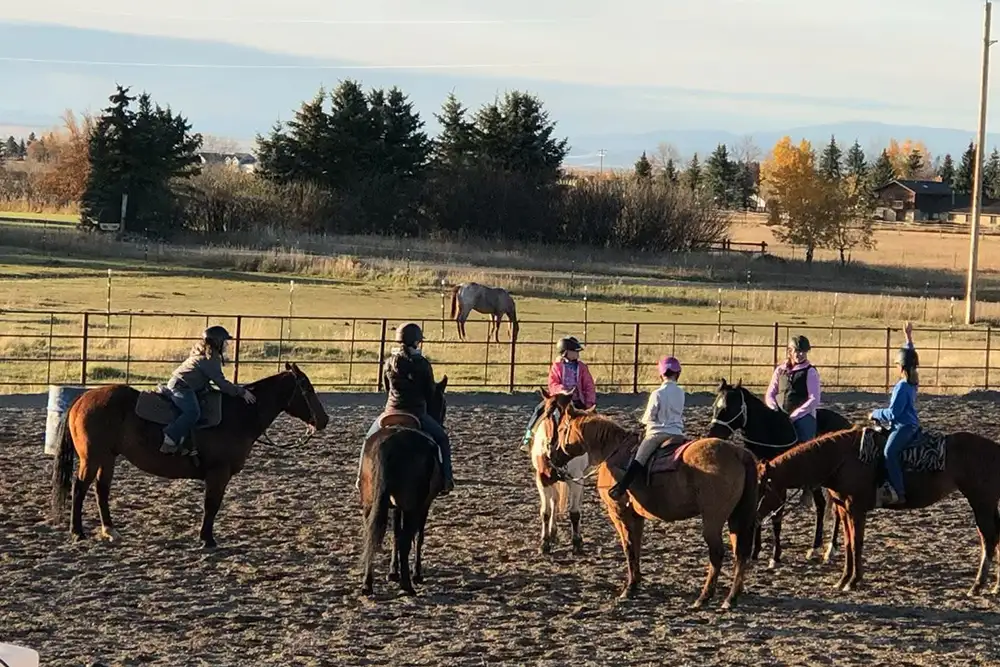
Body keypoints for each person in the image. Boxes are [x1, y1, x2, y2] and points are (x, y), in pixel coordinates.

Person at [363, 322, 454, 494]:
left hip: (390, 412)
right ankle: (447, 478)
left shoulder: (389, 363)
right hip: (416, 413)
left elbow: (387, 389)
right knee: (442, 439)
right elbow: (429, 393)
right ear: (416, 342)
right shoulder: (422, 364)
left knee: (368, 441)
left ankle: (361, 479)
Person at [161, 325, 256, 455]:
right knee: (192, 413)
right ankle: (169, 440)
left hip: (187, 385)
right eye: (225, 342)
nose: (226, 345)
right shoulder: (209, 360)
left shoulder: (206, 356)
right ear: (217, 342)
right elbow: (221, 383)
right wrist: (241, 392)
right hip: (181, 386)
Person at [608, 356, 686, 500]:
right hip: (677, 433)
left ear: (661, 375)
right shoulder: (681, 392)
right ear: (677, 373)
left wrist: (642, 420)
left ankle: (621, 487)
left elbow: (650, 416)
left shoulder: (657, 393)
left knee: (639, 459)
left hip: (657, 434)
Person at [870, 321, 919, 507]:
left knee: (889, 452)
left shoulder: (901, 387)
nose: (896, 366)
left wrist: (874, 412)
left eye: (897, 364)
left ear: (901, 367)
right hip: (911, 425)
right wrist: (908, 338)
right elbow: (911, 357)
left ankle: (899, 492)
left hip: (902, 426)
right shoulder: (913, 382)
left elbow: (893, 413)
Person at [520, 336, 597, 452]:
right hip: (559, 399)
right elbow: (552, 383)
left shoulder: (582, 368)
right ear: (565, 352)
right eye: (575, 352)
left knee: (593, 418)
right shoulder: (557, 367)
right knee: (539, 410)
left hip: (577, 399)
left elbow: (589, 385)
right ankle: (528, 437)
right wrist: (562, 390)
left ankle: (595, 443)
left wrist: (589, 402)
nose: (577, 354)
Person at [765, 334, 822, 444]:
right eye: (798, 351)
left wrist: (795, 415)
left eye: (804, 352)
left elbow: (814, 399)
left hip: (803, 416)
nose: (801, 354)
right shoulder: (780, 370)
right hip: (780, 415)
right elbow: (770, 393)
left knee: (805, 445)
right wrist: (774, 409)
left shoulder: (810, 372)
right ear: (790, 351)